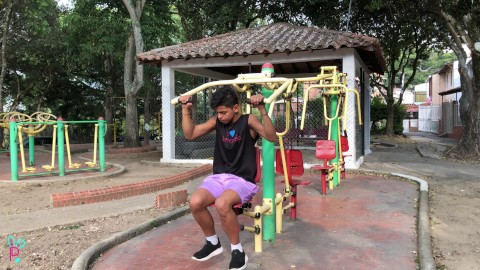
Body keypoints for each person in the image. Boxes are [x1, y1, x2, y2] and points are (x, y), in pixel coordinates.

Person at [179, 87, 277, 270]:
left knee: (223, 204)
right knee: (195, 202)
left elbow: (271, 137)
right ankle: (212, 243)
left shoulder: (249, 120)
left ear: (236, 108)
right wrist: (186, 109)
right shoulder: (217, 122)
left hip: (242, 179)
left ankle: (237, 251)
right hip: (219, 177)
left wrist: (263, 109)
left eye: (223, 112)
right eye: (218, 113)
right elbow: (190, 134)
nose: (221, 116)